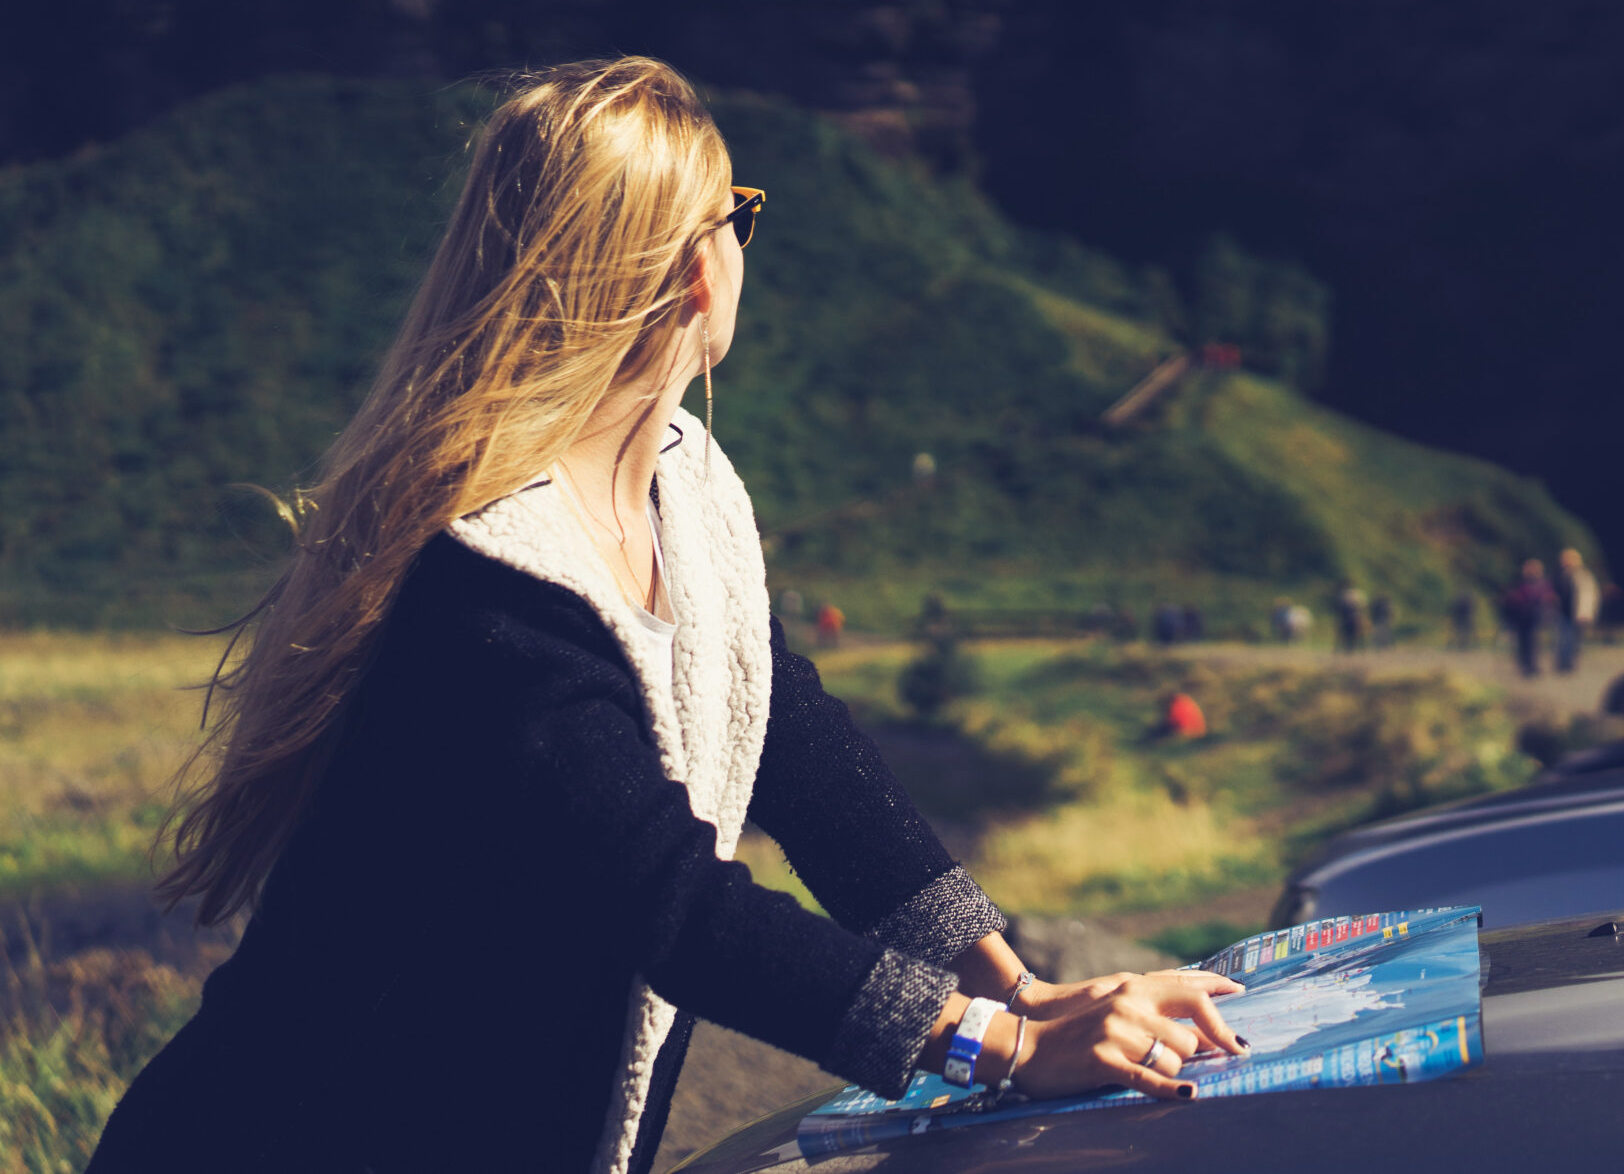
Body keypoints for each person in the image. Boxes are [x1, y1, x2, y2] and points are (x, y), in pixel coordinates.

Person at [92, 59, 1243, 1174]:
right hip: (293, 1138)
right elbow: (675, 908)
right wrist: (1000, 1049)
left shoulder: (683, 485)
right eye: (739, 212)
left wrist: (1015, 983)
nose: (748, 240)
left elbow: (791, 740)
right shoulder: (492, 576)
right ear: (699, 270)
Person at [1504, 558, 1558, 677]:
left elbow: (1548, 597)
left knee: (1533, 641)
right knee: (1523, 641)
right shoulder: (1520, 582)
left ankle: (1532, 665)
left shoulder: (1542, 583)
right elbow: (1513, 597)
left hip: (1535, 615)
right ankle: (1525, 664)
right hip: (1522, 616)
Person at [1556, 549, 1601, 674]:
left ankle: (1570, 663)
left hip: (1577, 614)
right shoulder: (1563, 575)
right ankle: (1564, 664)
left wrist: (1586, 613)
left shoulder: (1583, 576)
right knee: (1564, 639)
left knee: (1573, 641)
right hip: (1565, 613)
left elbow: (1588, 596)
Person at [1333, 582, 1368, 653]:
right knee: (1360, 635)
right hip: (1356, 616)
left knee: (1344, 635)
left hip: (1346, 617)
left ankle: (1342, 650)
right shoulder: (1359, 594)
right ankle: (1362, 650)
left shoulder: (1343, 595)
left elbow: (1340, 607)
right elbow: (1363, 606)